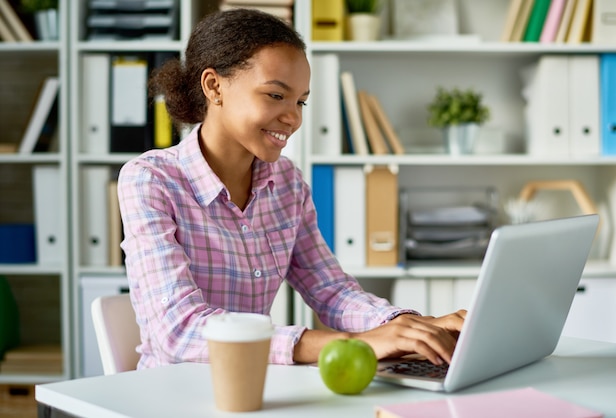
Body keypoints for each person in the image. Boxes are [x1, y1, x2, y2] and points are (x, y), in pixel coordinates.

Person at [117, 8, 465, 369]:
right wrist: (350, 343)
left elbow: (331, 290)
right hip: (172, 396)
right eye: (275, 95)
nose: (294, 117)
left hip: (259, 390)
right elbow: (180, 332)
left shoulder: (286, 183)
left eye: (300, 101)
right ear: (213, 86)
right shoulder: (150, 180)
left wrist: (406, 326)